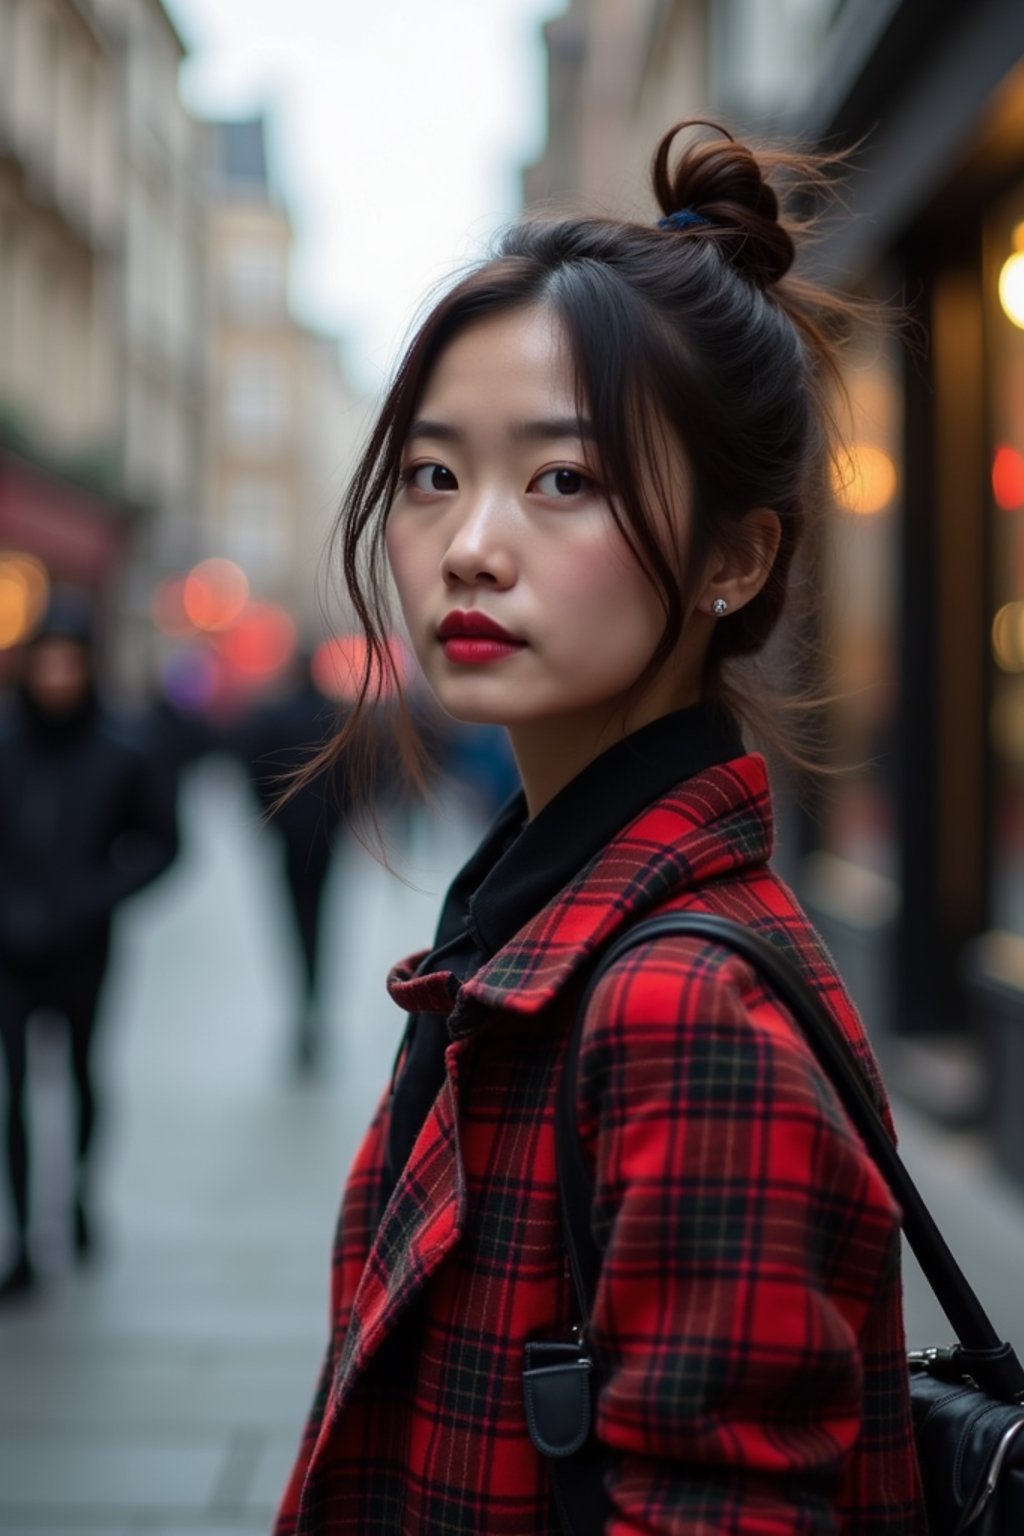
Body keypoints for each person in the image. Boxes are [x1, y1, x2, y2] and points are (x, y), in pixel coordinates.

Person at [275, 123, 926, 1533]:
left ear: (737, 556)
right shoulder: (531, 938)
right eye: (434, 474)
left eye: (561, 480)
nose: (468, 545)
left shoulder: (678, 1009)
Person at [0, 591, 179, 1297]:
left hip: (83, 947)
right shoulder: (6, 748)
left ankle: (75, 1193)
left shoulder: (120, 754)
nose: (56, 677)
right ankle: (20, 1241)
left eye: (69, 662)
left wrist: (93, 898)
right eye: (45, 662)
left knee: (79, 1073)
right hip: (8, 950)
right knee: (13, 1086)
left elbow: (163, 845)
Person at [236, 653, 349, 1073]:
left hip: (291, 838)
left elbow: (251, 769)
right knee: (320, 920)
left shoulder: (273, 716)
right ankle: (312, 1001)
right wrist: (342, 817)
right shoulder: (335, 715)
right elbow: (356, 774)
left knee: (294, 919)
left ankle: (302, 1003)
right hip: (325, 837)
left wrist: (270, 817)